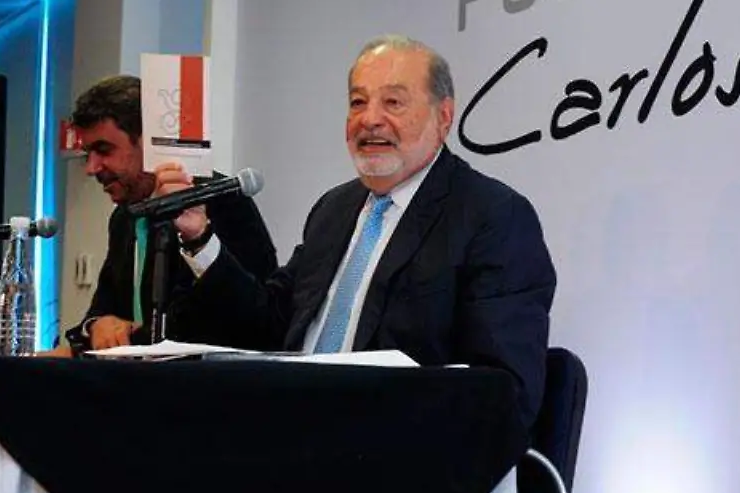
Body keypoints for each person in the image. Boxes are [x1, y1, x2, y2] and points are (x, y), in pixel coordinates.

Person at [159, 35, 557, 426]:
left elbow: (503, 391)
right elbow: (269, 326)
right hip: (289, 423)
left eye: (393, 102)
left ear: (444, 117)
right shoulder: (334, 209)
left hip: (390, 441)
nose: (370, 119)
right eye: (358, 102)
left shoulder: (492, 216)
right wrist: (200, 237)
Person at [52, 75, 278, 354]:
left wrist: (121, 338)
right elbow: (104, 307)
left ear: (147, 143)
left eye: (103, 150)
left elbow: (247, 320)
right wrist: (97, 326)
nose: (91, 168)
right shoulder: (124, 217)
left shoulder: (221, 200)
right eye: (88, 153)